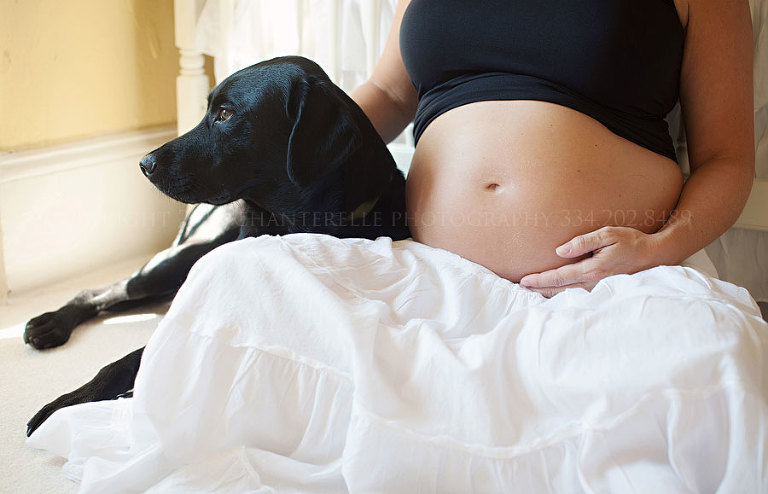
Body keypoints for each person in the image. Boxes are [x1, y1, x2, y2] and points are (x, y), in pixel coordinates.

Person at [348, 0, 755, 296]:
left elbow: (727, 161)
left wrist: (658, 250)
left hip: (613, 287)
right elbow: (389, 94)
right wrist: (294, 140)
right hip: (427, 274)